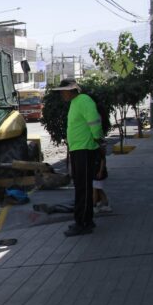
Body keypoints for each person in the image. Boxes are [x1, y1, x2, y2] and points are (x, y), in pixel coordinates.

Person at [55, 78, 103, 236]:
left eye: (63, 91)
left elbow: (94, 121)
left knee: (84, 187)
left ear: (70, 90)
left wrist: (97, 139)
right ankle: (83, 220)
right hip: (78, 149)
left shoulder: (83, 100)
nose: (61, 94)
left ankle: (84, 223)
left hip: (85, 149)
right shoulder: (76, 102)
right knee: (80, 187)